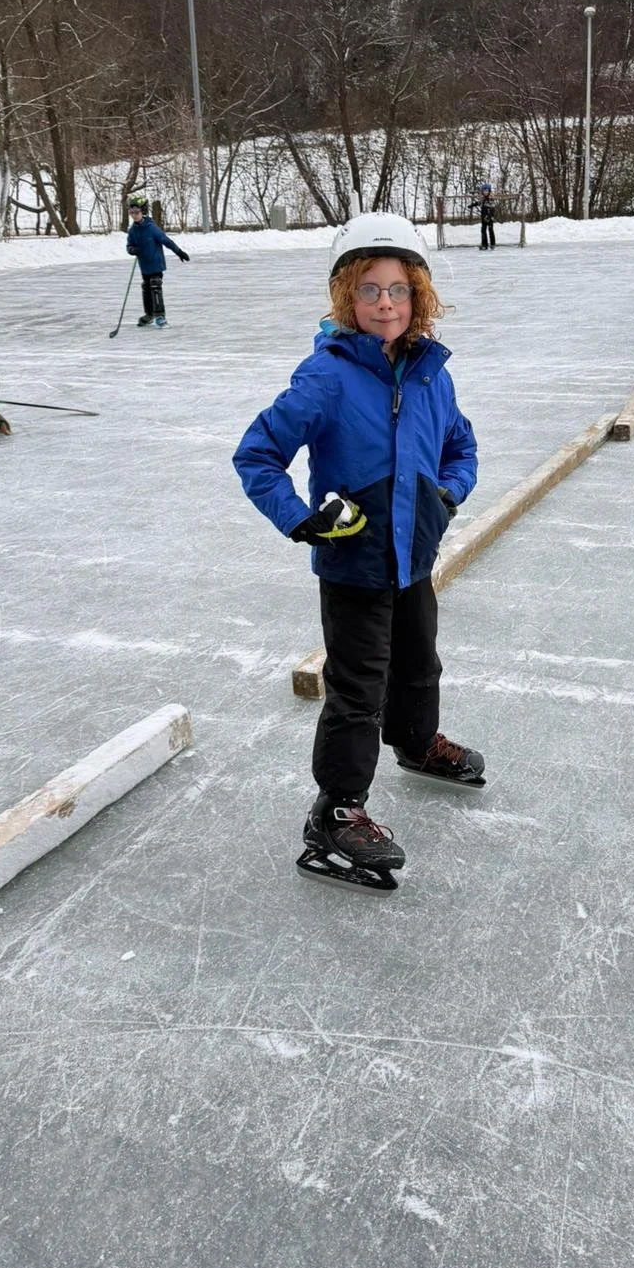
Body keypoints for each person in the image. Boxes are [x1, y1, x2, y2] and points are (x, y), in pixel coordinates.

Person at [233, 212, 482, 892]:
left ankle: (417, 741)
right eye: (369, 290)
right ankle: (335, 812)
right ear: (347, 296)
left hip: (414, 558)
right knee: (356, 692)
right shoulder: (328, 376)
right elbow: (256, 454)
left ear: (418, 296)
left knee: (419, 664)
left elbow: (461, 447)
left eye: (397, 290)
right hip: (354, 566)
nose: (384, 304)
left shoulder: (432, 374)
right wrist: (299, 518)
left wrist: (446, 495)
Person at [126, 196, 189, 328]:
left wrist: (179, 252)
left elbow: (166, 241)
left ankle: (160, 316)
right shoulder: (133, 231)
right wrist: (132, 250)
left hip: (156, 264)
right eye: (131, 213)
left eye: (136, 212)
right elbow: (129, 246)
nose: (134, 216)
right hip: (144, 265)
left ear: (143, 211)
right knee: (146, 288)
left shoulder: (151, 228)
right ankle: (149, 314)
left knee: (155, 285)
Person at [470, 183, 497, 251]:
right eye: (484, 191)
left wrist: (489, 216)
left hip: (489, 217)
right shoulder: (482, 198)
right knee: (483, 230)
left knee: (490, 230)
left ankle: (492, 244)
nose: (485, 192)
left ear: (489, 191)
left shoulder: (491, 198)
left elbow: (492, 208)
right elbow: (479, 203)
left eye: (486, 191)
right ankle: (484, 244)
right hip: (483, 216)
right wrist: (472, 205)